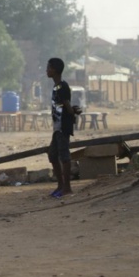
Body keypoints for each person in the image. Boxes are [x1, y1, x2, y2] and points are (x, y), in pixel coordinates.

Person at [46, 58, 82, 198]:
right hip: (57, 127)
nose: (46, 70)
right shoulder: (57, 87)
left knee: (64, 156)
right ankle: (61, 186)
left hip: (62, 127)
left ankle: (67, 188)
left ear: (54, 70)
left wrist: (73, 111)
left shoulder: (62, 86)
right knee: (53, 155)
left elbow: (67, 106)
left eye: (48, 68)